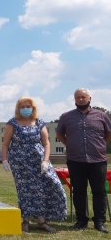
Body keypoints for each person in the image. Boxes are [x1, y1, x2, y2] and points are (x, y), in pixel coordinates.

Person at [2, 97, 67, 233]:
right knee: (24, 190)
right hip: (20, 162)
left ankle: (41, 221)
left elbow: (46, 143)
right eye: (23, 106)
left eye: (28, 106)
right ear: (18, 108)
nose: (26, 109)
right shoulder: (12, 123)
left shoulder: (39, 123)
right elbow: (6, 143)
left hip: (39, 161)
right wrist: (4, 159)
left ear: (33, 108)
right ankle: (25, 220)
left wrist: (45, 160)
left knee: (47, 187)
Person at [56, 88, 111, 233]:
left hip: (97, 159)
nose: (81, 99)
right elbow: (59, 133)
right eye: (78, 97)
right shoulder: (66, 117)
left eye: (83, 97)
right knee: (79, 191)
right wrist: (69, 144)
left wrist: (101, 144)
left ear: (90, 98)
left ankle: (99, 221)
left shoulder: (102, 116)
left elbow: (109, 134)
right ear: (74, 100)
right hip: (75, 160)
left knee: (99, 191)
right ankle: (81, 220)